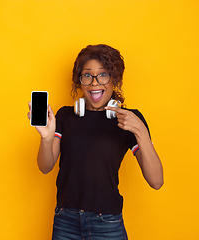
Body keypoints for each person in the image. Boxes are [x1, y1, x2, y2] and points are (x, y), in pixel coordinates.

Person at [27, 44, 163, 240]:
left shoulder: (128, 119)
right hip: (65, 220)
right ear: (79, 81)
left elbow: (156, 181)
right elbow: (45, 167)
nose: (94, 82)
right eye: (87, 75)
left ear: (114, 79)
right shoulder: (65, 116)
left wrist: (140, 130)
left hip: (107, 223)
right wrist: (46, 138)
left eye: (103, 75)